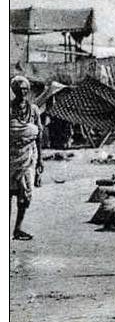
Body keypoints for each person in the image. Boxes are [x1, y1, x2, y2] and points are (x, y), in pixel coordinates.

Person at [10, 76, 44, 241]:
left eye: (25, 89)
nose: (22, 92)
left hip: (29, 155)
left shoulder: (34, 110)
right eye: (18, 89)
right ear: (13, 90)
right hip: (9, 155)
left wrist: (41, 160)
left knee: (26, 193)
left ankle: (18, 228)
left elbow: (39, 134)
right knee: (8, 193)